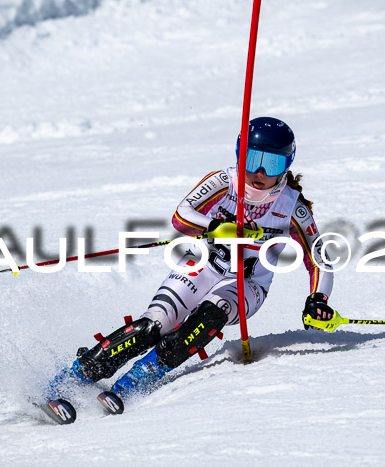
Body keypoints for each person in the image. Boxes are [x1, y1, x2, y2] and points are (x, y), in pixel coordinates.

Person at [43, 117, 336, 421]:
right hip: (203, 265)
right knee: (153, 325)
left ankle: (139, 378)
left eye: (271, 164)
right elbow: (181, 217)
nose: (259, 173)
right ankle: (73, 378)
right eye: (252, 158)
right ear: (240, 154)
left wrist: (318, 299)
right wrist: (217, 226)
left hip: (247, 284)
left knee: (212, 312)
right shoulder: (224, 182)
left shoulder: (292, 207)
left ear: (286, 165)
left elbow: (319, 258)